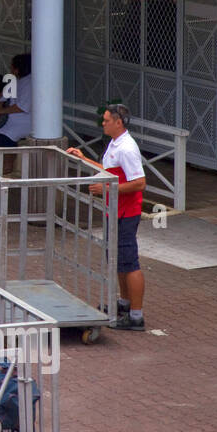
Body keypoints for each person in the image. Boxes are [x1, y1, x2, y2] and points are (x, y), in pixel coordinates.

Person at [66, 103, 147, 331]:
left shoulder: (127, 148)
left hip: (126, 213)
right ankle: (125, 303)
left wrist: (107, 190)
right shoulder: (115, 144)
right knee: (119, 259)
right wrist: (84, 159)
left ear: (118, 122)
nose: (103, 123)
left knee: (129, 262)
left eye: (106, 120)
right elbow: (109, 171)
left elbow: (139, 183)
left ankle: (136, 316)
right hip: (116, 210)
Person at [0, 53, 33, 149]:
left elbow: (22, 107)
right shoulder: (17, 81)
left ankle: (4, 163)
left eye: (12, 66)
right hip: (7, 119)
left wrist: (1, 111)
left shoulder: (30, 83)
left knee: (4, 140)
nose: (10, 69)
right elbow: (2, 99)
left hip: (22, 122)